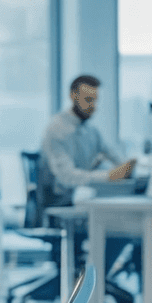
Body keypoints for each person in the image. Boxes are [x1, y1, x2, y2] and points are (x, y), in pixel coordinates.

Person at [39, 74, 136, 205]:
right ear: (73, 96)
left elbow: (115, 156)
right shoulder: (56, 130)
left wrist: (131, 167)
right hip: (62, 200)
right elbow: (66, 177)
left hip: (82, 195)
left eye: (95, 100)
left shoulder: (90, 131)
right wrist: (109, 176)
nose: (93, 106)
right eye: (88, 100)